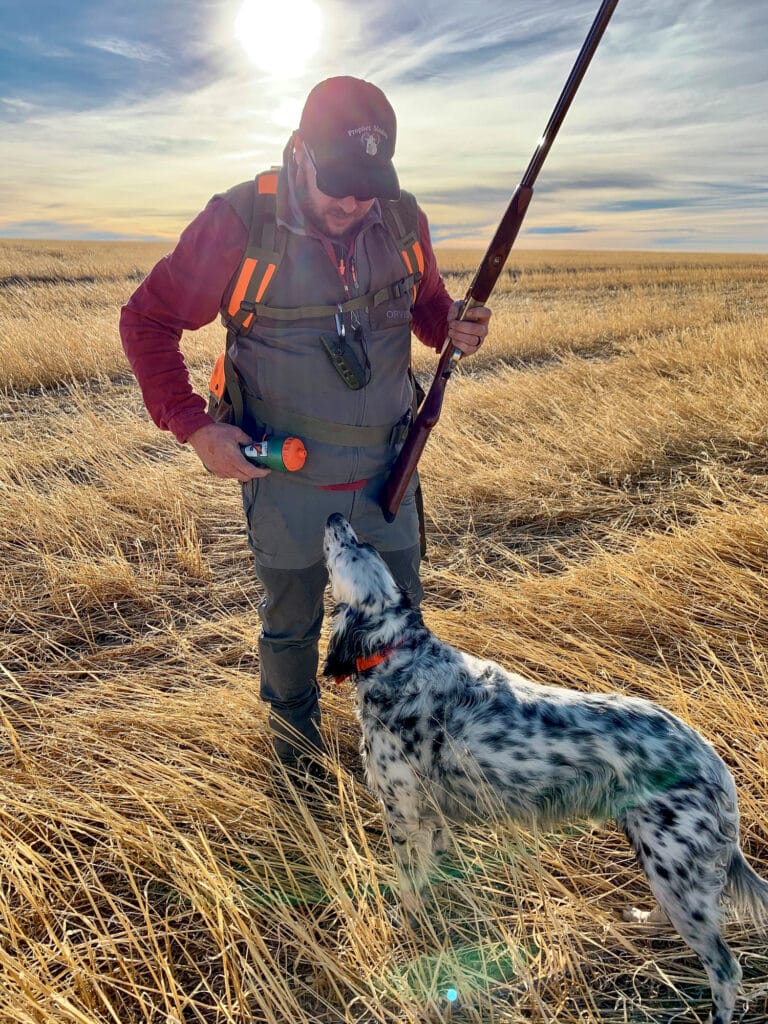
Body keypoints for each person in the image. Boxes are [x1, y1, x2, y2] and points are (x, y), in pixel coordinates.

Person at [120, 76, 491, 775]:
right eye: (339, 184)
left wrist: (453, 327)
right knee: (291, 624)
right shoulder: (238, 223)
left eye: (369, 186)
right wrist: (196, 430)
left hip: (388, 472)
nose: (354, 203)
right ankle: (296, 756)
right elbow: (147, 319)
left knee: (398, 622)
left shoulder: (403, 219)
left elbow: (428, 306)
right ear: (299, 153)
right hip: (284, 477)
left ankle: (403, 755)